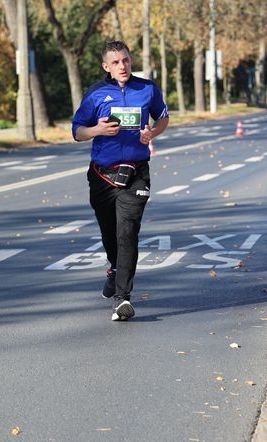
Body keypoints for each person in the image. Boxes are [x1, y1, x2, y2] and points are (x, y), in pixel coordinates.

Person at [72, 40, 169, 321]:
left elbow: (163, 118)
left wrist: (152, 133)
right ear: (106, 66)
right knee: (109, 233)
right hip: (102, 175)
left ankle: (122, 299)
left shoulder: (147, 89)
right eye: (115, 62)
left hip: (136, 172)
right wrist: (97, 129)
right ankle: (114, 269)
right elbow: (77, 132)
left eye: (125, 60)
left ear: (131, 60)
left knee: (127, 233)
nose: (122, 66)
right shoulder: (95, 94)